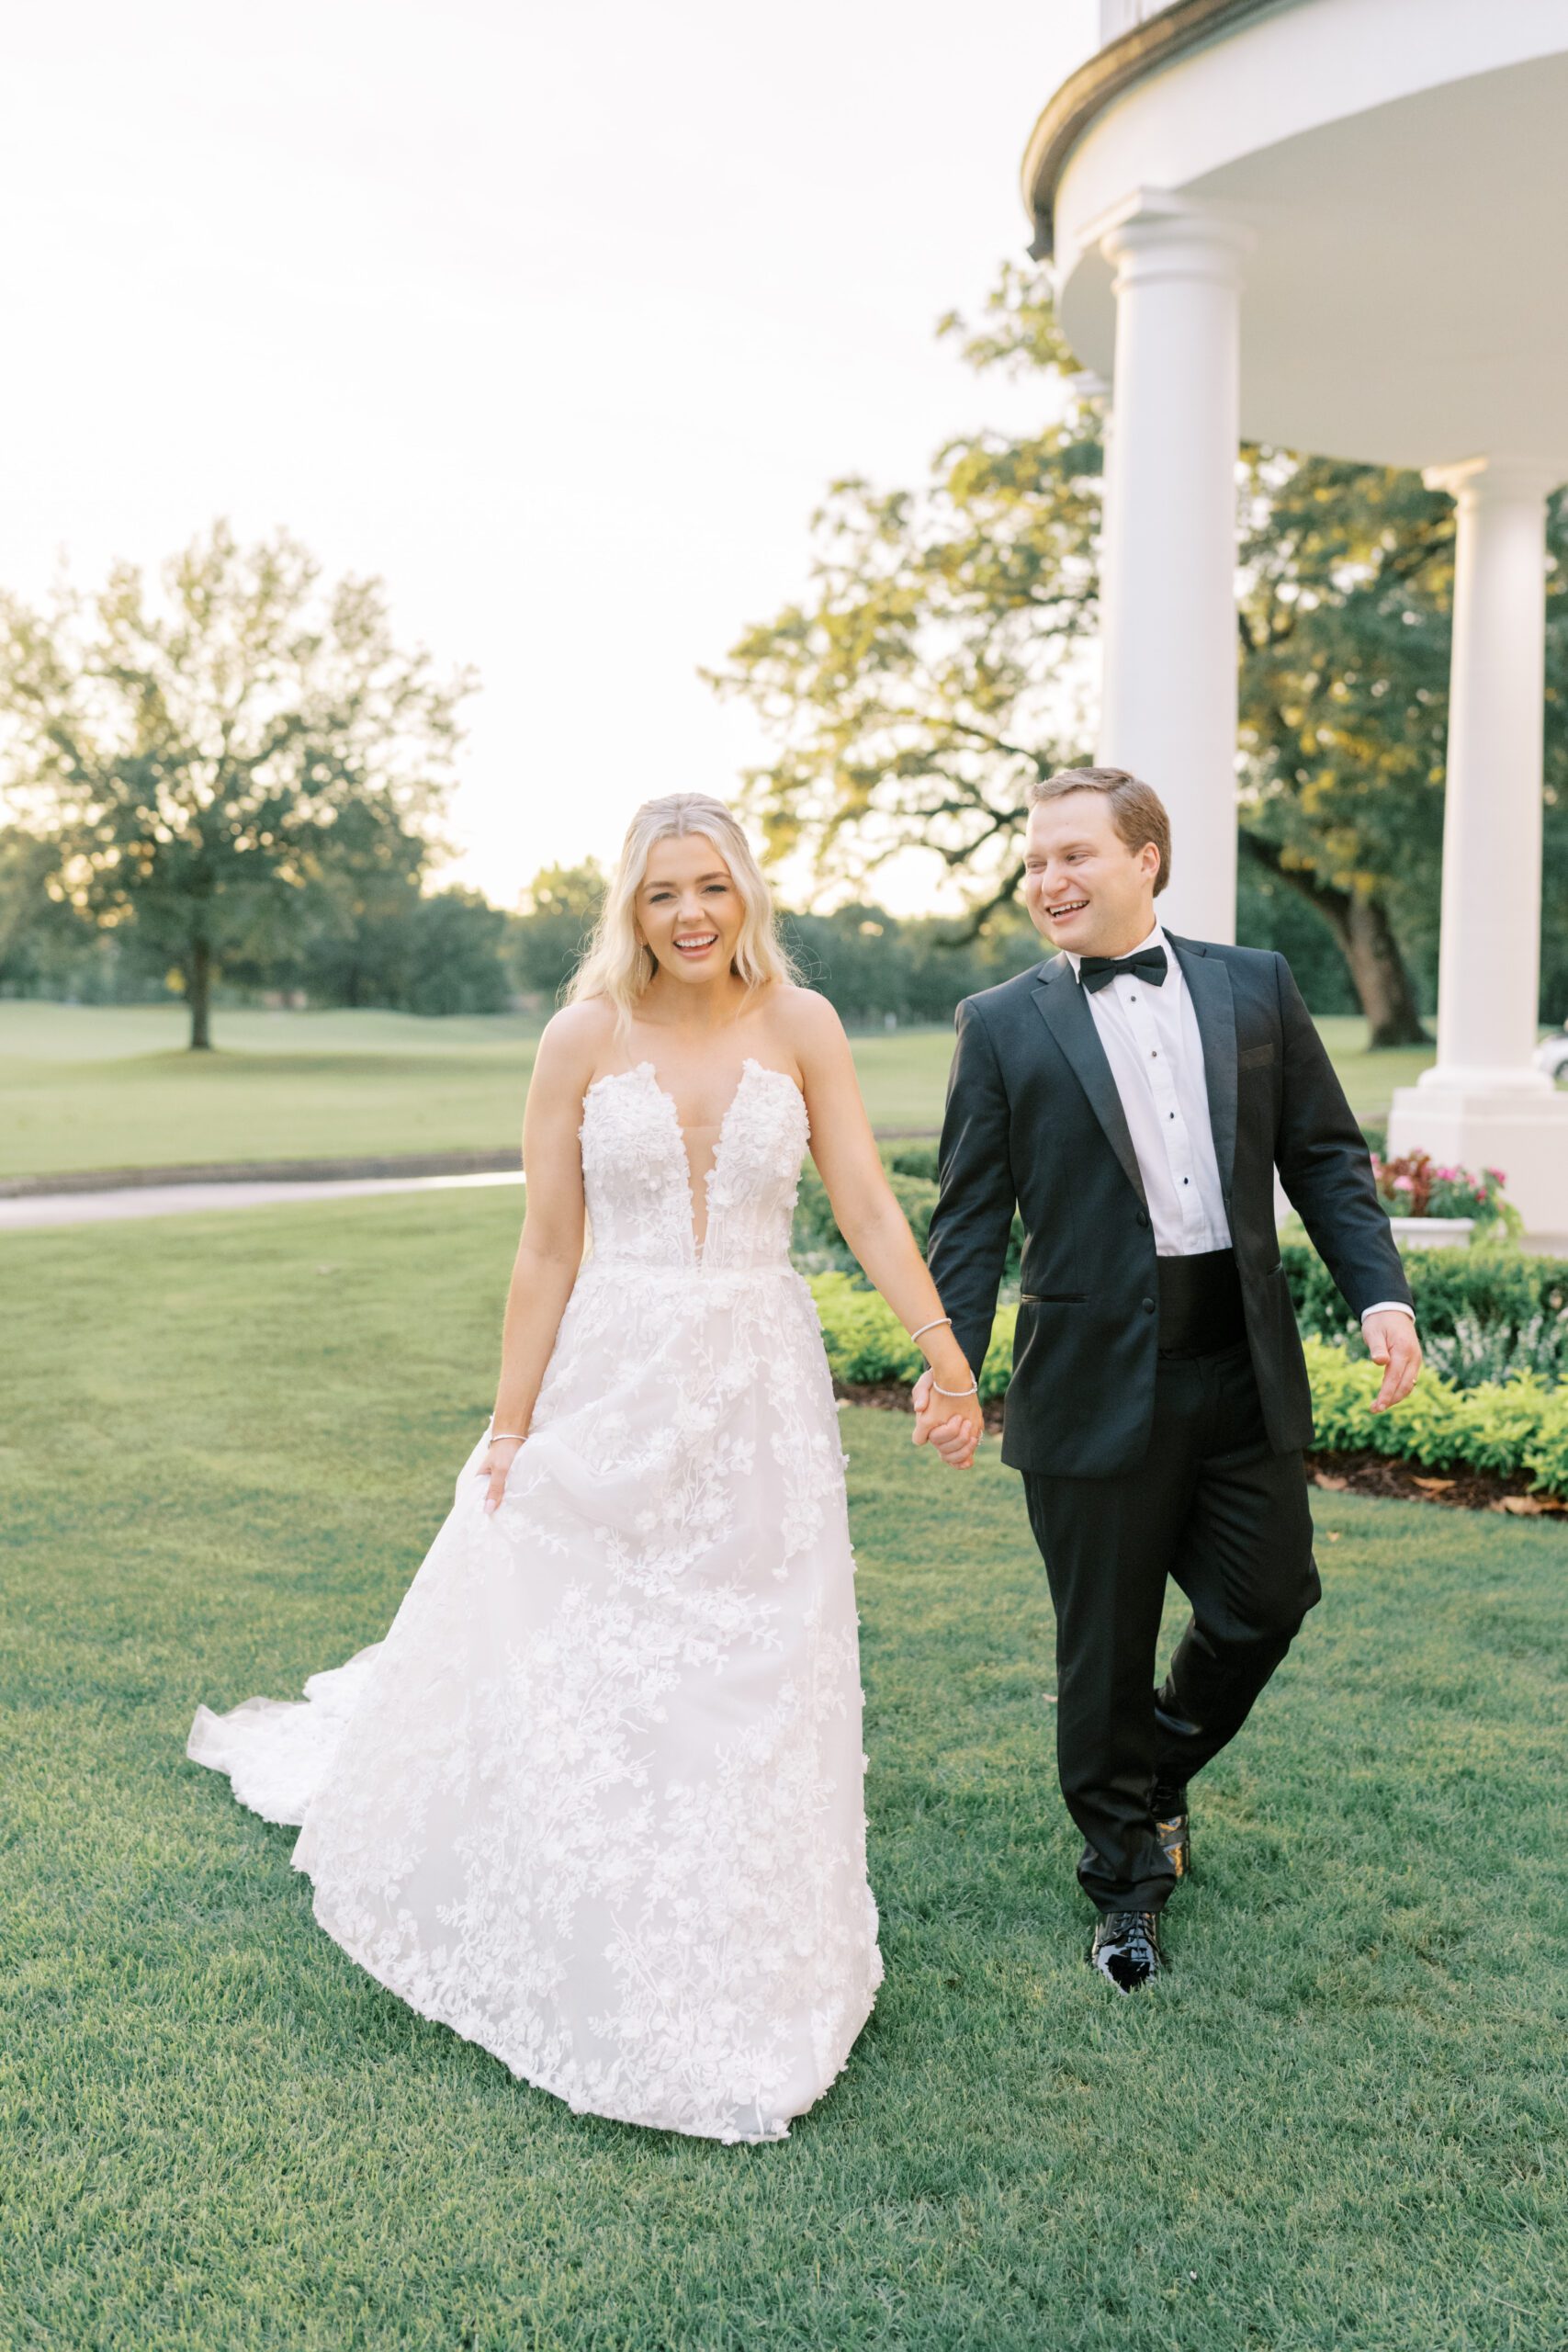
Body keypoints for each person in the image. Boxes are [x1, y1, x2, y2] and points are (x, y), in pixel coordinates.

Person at [187, 792, 983, 2142]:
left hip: (758, 1385)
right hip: (612, 1374)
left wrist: (943, 1354)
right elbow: (548, 1245)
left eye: (711, 887)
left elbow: (861, 1199)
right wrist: (510, 1428)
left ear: (746, 896)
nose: (690, 914)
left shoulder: (803, 1025)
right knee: (592, 1634)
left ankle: (746, 1921)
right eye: (664, 892)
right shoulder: (580, 1037)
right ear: (631, 906)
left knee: (755, 1652)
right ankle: (597, 1886)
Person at [920, 767, 1421, 1992]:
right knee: (1103, 1651)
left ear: (1146, 859)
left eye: (1075, 856)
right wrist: (951, 1362)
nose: (1048, 881)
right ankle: (1125, 1892)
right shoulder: (1002, 1023)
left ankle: (1149, 1778)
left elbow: (1324, 1155)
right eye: (1036, 863)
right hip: (1092, 1379)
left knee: (1267, 1602)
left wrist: (1381, 1295)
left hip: (1240, 1364)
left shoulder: (1256, 985)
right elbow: (970, 1216)